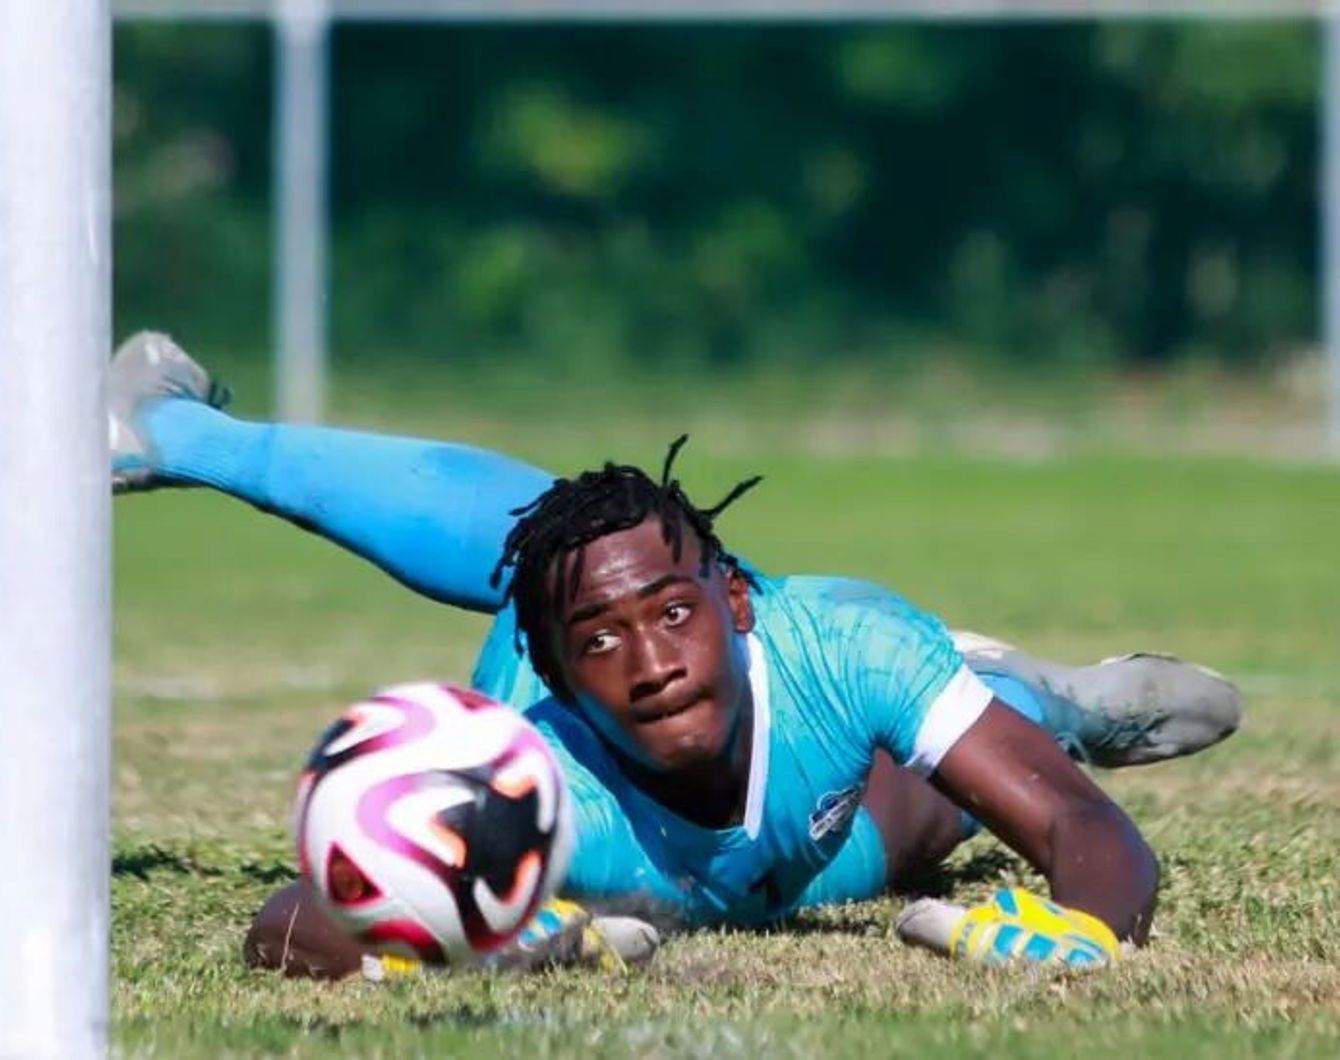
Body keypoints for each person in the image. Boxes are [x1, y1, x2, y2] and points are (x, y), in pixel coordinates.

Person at [107, 332, 1241, 977]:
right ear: (549, 674)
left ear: (736, 600)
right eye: (598, 643)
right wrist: (454, 927)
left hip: (827, 768)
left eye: (675, 613)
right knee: (562, 547)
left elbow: (1081, 831)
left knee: (945, 803)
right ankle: (168, 433)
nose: (647, 658)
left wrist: (1086, 929)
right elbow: (291, 920)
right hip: (689, 777)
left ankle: (1040, 701)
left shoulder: (840, 641)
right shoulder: (526, 774)